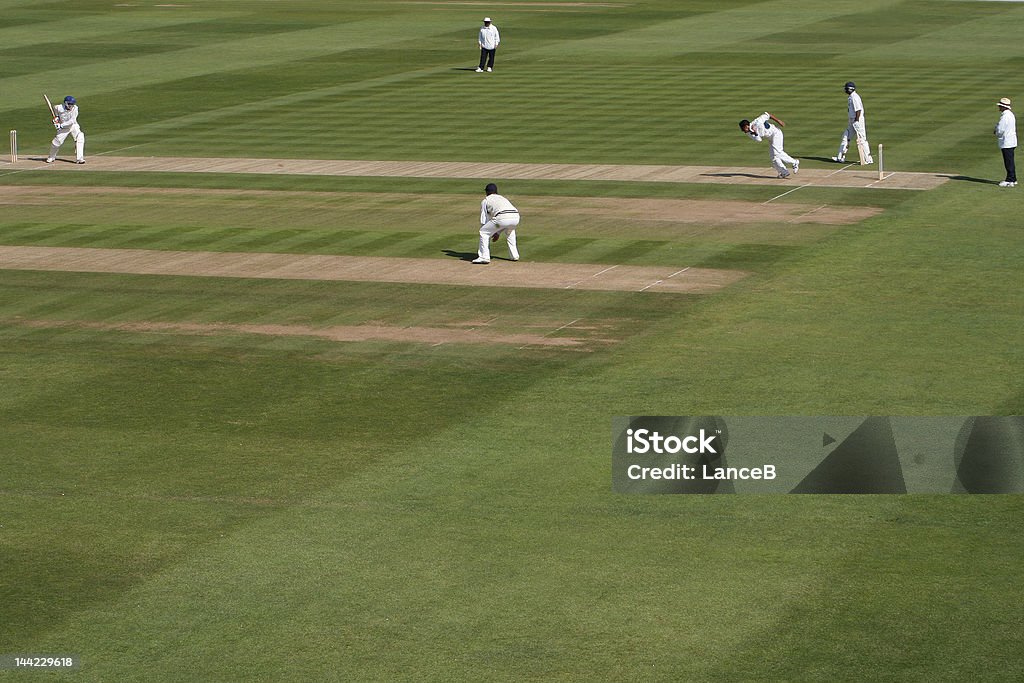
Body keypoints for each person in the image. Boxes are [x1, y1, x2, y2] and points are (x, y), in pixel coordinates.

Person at [739, 112, 799, 178]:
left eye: (743, 128)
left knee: (777, 152)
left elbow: (768, 115)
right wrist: (755, 132)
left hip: (776, 133)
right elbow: (759, 140)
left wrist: (778, 121)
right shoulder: (748, 132)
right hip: (770, 137)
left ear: (746, 126)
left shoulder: (758, 121)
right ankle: (784, 172)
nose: (742, 131)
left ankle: (794, 162)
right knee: (773, 157)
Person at [473, 183, 520, 264]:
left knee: (483, 232)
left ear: (487, 192)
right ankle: (514, 256)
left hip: (502, 217)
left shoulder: (486, 200)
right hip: (515, 217)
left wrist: (490, 231)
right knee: (510, 231)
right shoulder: (503, 198)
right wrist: (496, 232)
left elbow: (484, 220)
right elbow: (502, 222)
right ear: (496, 191)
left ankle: (484, 257)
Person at [832, 81, 872, 164]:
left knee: (862, 140)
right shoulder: (851, 97)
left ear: (850, 89)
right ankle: (840, 157)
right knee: (845, 137)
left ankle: (868, 159)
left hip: (857, 121)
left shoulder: (855, 97)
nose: (845, 90)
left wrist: (857, 121)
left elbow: (858, 110)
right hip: (852, 121)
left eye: (846, 88)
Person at [46, 95, 85, 164]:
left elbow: (72, 121)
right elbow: (55, 112)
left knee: (80, 137)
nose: (71, 106)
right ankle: (51, 157)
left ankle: (79, 158)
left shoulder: (75, 109)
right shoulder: (58, 107)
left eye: (72, 104)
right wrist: (56, 118)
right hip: (64, 129)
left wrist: (60, 125)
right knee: (56, 142)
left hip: (73, 126)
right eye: (69, 104)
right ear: (65, 103)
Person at [994, 97, 1017, 187]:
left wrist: (996, 131)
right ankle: (1013, 179)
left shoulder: (1005, 116)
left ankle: (1010, 180)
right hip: (1011, 141)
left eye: (1000, 106)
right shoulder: (1010, 114)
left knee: (1008, 162)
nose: (999, 107)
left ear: (1003, 107)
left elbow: (1000, 130)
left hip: (1007, 142)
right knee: (1010, 161)